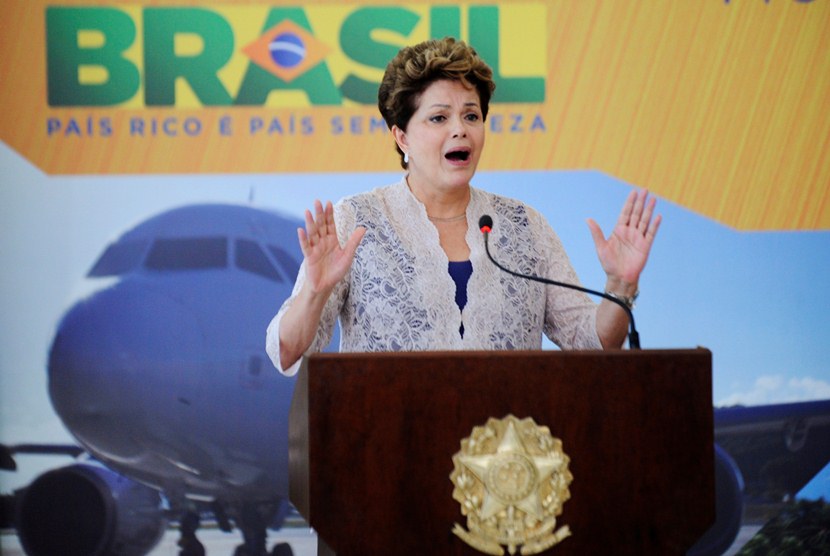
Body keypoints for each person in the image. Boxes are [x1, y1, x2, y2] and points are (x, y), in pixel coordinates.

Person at [266, 37, 660, 376]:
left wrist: (620, 285)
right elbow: (287, 352)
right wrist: (315, 292)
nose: (460, 129)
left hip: (508, 455)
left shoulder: (525, 226)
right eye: (439, 117)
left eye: (471, 115)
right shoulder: (358, 220)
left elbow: (592, 343)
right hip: (386, 449)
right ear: (401, 137)